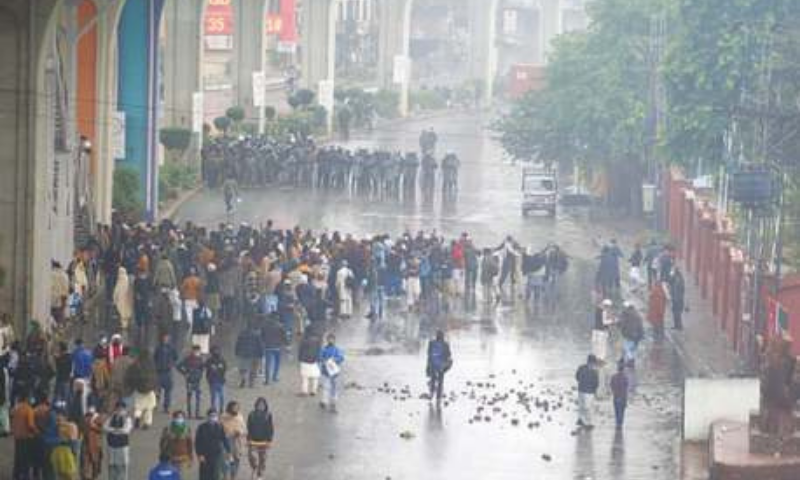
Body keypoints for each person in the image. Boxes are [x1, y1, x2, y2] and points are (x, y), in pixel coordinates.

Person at [125, 348, 158, 429]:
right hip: (149, 390)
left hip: (139, 389)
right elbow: (155, 377)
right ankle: (147, 423)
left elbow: (129, 376)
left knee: (138, 406)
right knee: (149, 408)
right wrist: (155, 387)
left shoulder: (135, 364)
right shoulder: (151, 364)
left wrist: (132, 386)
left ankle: (137, 417)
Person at [194, 409, 230, 480]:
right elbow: (197, 442)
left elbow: (224, 439)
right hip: (205, 454)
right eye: (211, 416)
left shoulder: (219, 426)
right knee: (204, 474)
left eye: (215, 416)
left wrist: (228, 451)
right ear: (207, 417)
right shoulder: (202, 427)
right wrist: (200, 454)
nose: (213, 418)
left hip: (216, 454)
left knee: (215, 473)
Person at [12, 394, 39, 480]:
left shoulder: (16, 408)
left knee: (18, 458)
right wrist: (37, 432)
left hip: (17, 436)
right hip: (26, 437)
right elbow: (31, 425)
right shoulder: (28, 409)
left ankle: (15, 476)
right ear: (27, 399)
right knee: (25, 459)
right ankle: (25, 477)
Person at [103, 401, 133, 480]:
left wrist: (114, 431)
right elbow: (105, 427)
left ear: (124, 409)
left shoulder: (127, 418)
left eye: (121, 408)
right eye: (118, 408)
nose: (119, 410)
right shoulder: (111, 417)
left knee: (122, 466)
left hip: (122, 447)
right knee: (111, 466)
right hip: (111, 446)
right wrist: (115, 430)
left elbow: (127, 430)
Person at [246, 398, 274, 480]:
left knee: (262, 459)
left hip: (264, 441)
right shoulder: (251, 414)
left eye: (262, 405)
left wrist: (269, 440)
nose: (261, 406)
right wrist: (248, 439)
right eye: (259, 404)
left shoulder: (268, 415)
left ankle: (259, 475)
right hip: (253, 440)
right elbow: (249, 427)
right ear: (256, 405)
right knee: (251, 456)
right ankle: (254, 468)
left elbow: (270, 428)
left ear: (265, 406)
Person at [159, 410, 193, 477]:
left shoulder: (187, 429)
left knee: (179, 474)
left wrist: (190, 458)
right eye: (177, 417)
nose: (179, 419)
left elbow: (190, 444)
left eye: (181, 417)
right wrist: (162, 453)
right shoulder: (168, 429)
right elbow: (162, 442)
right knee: (170, 474)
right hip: (170, 456)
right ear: (173, 418)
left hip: (182, 456)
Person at [220, 401, 246, 480]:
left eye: (237, 407)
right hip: (226, 442)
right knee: (226, 462)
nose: (236, 409)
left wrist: (240, 432)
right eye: (234, 407)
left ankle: (233, 477)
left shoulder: (240, 417)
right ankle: (225, 477)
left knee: (236, 461)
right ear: (230, 407)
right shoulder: (223, 417)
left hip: (237, 442)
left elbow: (245, 430)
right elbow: (219, 430)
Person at [177, 345, 205, 419]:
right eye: (196, 350)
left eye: (198, 350)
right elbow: (179, 366)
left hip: (198, 380)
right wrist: (185, 373)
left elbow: (202, 367)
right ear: (192, 351)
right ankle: (189, 414)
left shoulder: (200, 358)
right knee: (189, 397)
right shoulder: (188, 359)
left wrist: (200, 374)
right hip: (190, 380)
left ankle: (197, 414)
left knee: (198, 398)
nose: (197, 352)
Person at [319, 333, 344, 412]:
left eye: (332, 339)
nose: (331, 340)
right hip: (327, 371)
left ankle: (333, 402)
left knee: (333, 387)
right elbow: (320, 358)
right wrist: (324, 362)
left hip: (334, 372)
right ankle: (324, 401)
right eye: (329, 339)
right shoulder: (324, 349)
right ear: (327, 340)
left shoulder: (337, 349)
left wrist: (334, 360)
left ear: (334, 340)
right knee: (326, 387)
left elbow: (341, 358)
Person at [154, 333, 179, 413]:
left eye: (167, 338)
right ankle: (155, 405)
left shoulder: (172, 348)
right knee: (157, 391)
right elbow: (155, 357)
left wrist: (171, 364)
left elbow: (176, 357)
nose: (165, 339)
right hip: (159, 372)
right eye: (164, 338)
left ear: (169, 339)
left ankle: (166, 407)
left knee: (168, 392)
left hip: (168, 372)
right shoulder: (158, 347)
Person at [426, 330, 453, 402]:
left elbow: (429, 355)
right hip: (441, 366)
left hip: (433, 365)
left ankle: (432, 394)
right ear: (442, 337)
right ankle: (438, 397)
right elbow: (449, 355)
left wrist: (428, 366)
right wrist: (448, 364)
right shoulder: (445, 344)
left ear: (436, 336)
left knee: (433, 379)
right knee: (440, 381)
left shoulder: (431, 343)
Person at [234, 323, 263, 389]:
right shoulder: (256, 334)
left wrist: (236, 352)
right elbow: (260, 345)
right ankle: (251, 383)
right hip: (254, 354)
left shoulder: (241, 334)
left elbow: (238, 344)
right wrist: (261, 354)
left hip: (243, 354)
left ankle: (243, 378)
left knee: (243, 368)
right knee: (253, 369)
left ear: (246, 327)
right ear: (252, 328)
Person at [261, 315, 287, 386]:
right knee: (277, 362)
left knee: (268, 364)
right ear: (277, 318)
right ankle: (274, 377)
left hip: (268, 347)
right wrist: (286, 344)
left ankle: (267, 380)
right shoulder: (280, 326)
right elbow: (284, 337)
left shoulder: (264, 326)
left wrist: (264, 343)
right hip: (277, 347)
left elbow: (262, 336)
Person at [575, 355, 599, 429]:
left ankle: (581, 420)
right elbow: (596, 383)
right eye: (593, 362)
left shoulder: (581, 368)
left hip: (582, 389)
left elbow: (577, 377)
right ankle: (588, 423)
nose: (594, 364)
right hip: (588, 391)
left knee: (582, 406)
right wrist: (594, 391)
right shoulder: (594, 372)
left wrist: (581, 383)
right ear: (591, 362)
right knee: (587, 407)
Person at [80, 406, 104, 480]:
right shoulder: (85, 418)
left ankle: (94, 476)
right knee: (84, 461)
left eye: (91, 414)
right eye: (89, 414)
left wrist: (94, 426)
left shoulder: (98, 418)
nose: (90, 415)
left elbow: (101, 430)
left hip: (95, 443)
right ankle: (85, 476)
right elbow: (82, 427)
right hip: (86, 442)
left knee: (95, 461)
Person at [297, 328, 322, 396]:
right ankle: (314, 390)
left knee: (305, 377)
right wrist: (319, 359)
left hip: (305, 360)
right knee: (315, 377)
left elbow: (301, 350)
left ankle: (304, 391)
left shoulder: (304, 340)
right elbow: (319, 350)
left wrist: (299, 359)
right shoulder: (318, 340)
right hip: (314, 360)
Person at [205, 346, 227, 414]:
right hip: (212, 381)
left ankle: (221, 409)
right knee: (214, 397)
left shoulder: (222, 360)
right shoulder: (209, 360)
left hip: (221, 380)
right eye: (215, 351)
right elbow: (207, 367)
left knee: (222, 397)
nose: (216, 352)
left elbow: (225, 368)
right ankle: (214, 410)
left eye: (217, 350)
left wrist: (220, 368)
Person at [610, 362, 629, 429]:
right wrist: (626, 399)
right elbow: (626, 389)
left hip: (616, 396)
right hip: (623, 397)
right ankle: (620, 424)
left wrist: (614, 392)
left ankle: (618, 423)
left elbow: (611, 386)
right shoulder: (625, 378)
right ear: (623, 370)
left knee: (617, 411)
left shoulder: (613, 377)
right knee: (622, 411)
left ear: (617, 369)